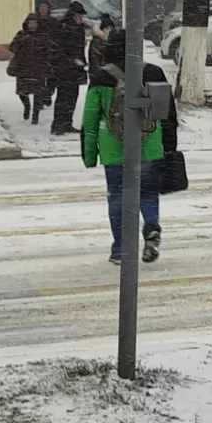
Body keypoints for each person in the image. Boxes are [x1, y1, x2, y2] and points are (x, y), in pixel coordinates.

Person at [79, 28, 176, 266]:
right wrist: (168, 146)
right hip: (149, 144)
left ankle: (121, 249)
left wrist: (90, 155)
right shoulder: (153, 72)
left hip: (113, 149)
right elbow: (167, 115)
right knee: (148, 192)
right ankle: (151, 227)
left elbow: (90, 121)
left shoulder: (101, 77)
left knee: (118, 196)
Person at [46, 4, 90, 135]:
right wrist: (71, 61)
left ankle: (66, 123)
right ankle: (58, 124)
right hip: (64, 70)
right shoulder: (63, 28)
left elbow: (78, 49)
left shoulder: (78, 28)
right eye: (79, 15)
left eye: (82, 16)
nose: (81, 18)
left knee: (72, 97)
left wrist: (81, 64)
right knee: (63, 97)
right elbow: (57, 50)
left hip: (75, 69)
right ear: (72, 15)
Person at [6, 14, 54, 124]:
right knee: (22, 92)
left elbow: (49, 51)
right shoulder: (21, 34)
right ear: (26, 24)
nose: (32, 26)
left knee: (38, 94)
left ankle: (35, 115)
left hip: (38, 68)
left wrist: (47, 64)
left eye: (34, 23)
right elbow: (12, 47)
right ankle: (27, 106)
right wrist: (22, 42)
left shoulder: (43, 36)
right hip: (23, 68)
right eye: (30, 23)